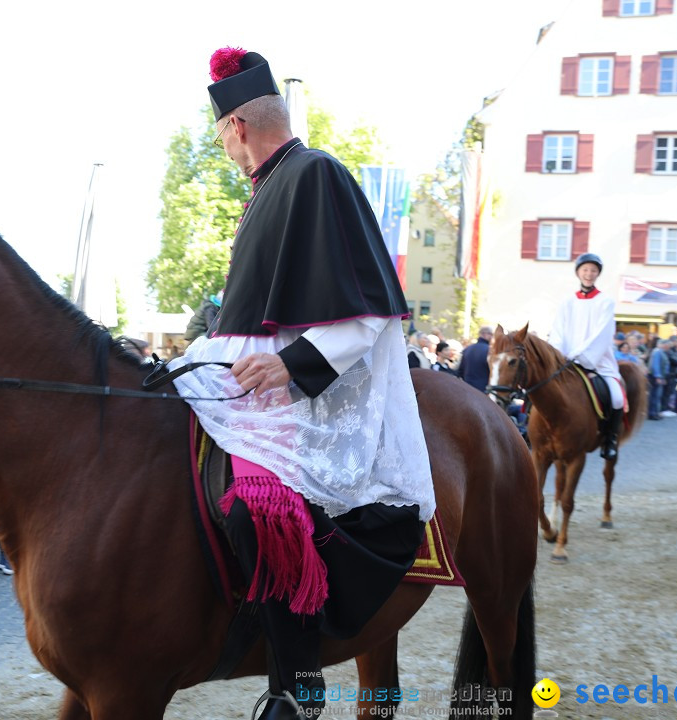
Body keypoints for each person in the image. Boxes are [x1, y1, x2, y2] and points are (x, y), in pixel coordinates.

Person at [169, 48, 433, 719]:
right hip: (258, 388)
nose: (225, 149)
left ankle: (295, 689)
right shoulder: (266, 190)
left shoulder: (315, 174)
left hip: (318, 396)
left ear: (236, 127)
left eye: (222, 137)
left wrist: (290, 365)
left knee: (256, 509)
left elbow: (370, 310)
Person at [548, 254, 624, 459]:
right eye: (585, 270)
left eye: (593, 271)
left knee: (616, 397)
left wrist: (579, 355)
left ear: (598, 274)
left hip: (597, 362)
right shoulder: (567, 302)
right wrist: (558, 355)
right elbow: (558, 331)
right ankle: (531, 430)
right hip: (565, 362)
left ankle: (610, 439)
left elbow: (602, 334)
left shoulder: (605, 302)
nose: (589, 274)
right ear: (578, 272)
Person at [457, 326, 494, 393]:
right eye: (491, 334)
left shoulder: (467, 349)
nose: (492, 337)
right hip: (484, 391)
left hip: (467, 389)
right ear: (484, 334)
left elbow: (460, 371)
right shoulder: (490, 351)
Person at [647, 339, 671, 421]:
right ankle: (652, 413)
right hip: (656, 377)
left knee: (657, 395)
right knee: (655, 395)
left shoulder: (660, 352)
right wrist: (658, 376)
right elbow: (655, 365)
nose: (668, 346)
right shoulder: (657, 352)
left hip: (660, 376)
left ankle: (655, 412)